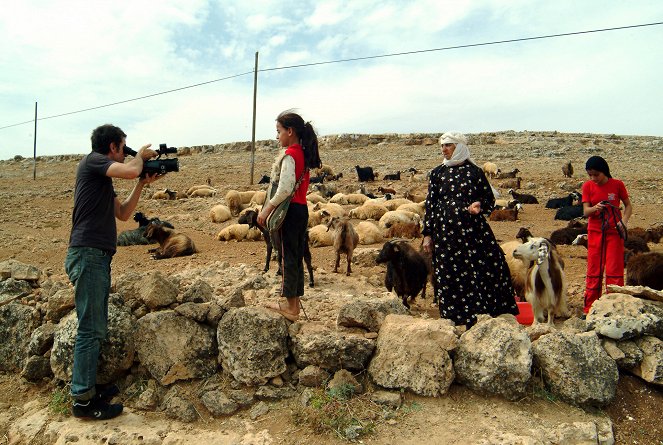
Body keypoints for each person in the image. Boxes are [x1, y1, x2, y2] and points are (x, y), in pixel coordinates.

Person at [65, 124, 161, 420]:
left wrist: (142, 183)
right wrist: (141, 158)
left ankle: (89, 389)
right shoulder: (93, 161)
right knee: (89, 329)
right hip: (89, 255)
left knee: (95, 327)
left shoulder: (101, 180)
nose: (125, 152)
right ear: (113, 148)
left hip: (96, 257)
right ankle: (82, 400)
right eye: (124, 147)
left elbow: (123, 214)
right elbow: (131, 169)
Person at [422, 132, 517, 327]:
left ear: (459, 147)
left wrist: (479, 205)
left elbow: (489, 200)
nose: (444, 149)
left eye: (448, 145)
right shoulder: (437, 173)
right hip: (446, 236)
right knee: (450, 275)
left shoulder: (475, 172)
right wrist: (427, 235)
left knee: (486, 268)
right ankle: (454, 320)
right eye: (442, 146)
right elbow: (430, 206)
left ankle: (482, 317)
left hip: (473, 235)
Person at [257, 110, 321, 321]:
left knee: (287, 257)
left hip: (290, 211)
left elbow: (285, 188)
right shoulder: (302, 153)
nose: (277, 137)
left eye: (279, 131)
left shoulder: (290, 154)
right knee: (294, 255)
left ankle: (292, 308)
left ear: (290, 131)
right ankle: (290, 302)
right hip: (301, 210)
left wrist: (267, 209)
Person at [581, 155, 632, 315]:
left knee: (614, 269)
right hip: (595, 232)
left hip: (614, 232)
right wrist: (595, 208)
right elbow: (585, 212)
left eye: (596, 174)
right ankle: (590, 308)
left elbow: (628, 206)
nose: (593, 178)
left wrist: (623, 221)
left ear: (604, 171)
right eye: (590, 175)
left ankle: (615, 306)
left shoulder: (617, 185)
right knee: (594, 269)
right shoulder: (587, 186)